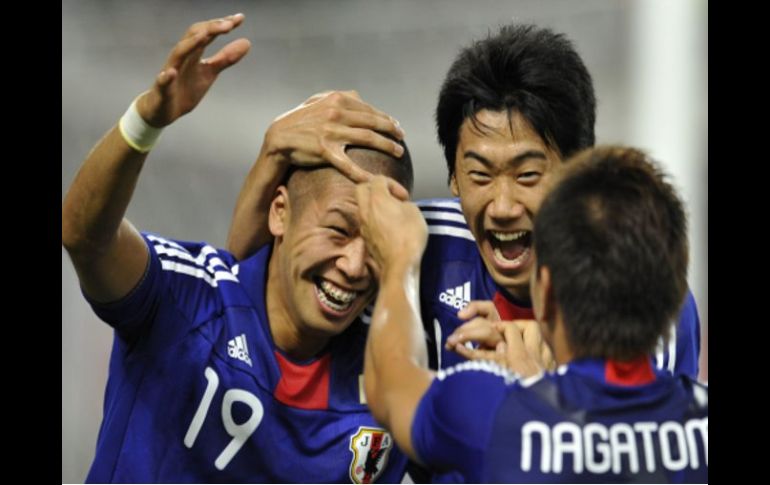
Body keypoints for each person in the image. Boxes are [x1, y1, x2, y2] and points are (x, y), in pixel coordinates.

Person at [226, 23, 701, 377]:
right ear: (453, 176)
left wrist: (545, 395)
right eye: (480, 174)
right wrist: (273, 153)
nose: (502, 205)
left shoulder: (643, 295)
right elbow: (247, 294)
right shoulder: (416, 244)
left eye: (528, 174)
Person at [61, 14, 412, 483]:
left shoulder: (394, 384)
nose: (353, 265)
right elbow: (84, 236)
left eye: (376, 241)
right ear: (280, 212)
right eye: (337, 230)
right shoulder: (188, 299)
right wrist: (145, 121)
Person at [357, 146, 708, 483]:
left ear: (546, 289)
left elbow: (390, 383)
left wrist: (398, 261)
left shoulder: (488, 409)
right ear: (673, 296)